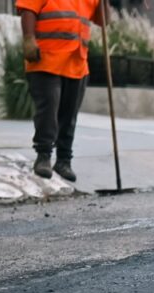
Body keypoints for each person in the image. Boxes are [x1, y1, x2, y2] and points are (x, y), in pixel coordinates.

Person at [17, 0, 105, 182]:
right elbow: (28, 10)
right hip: (46, 58)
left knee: (69, 115)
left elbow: (104, 21)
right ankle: (43, 157)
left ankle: (64, 161)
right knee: (48, 110)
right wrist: (28, 39)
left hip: (77, 62)